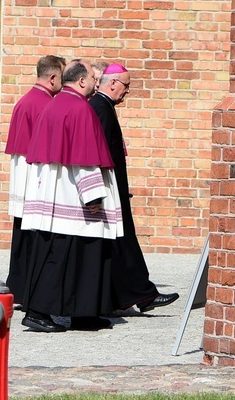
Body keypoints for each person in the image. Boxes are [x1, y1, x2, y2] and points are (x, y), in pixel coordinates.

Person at [20, 60, 124, 332]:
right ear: (81, 81)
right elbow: (84, 158)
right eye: (92, 76)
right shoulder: (80, 109)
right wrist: (93, 197)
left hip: (54, 192)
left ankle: (84, 313)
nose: (95, 78)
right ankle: (39, 312)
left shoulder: (54, 104)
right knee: (62, 256)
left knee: (78, 256)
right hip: (73, 199)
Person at [89, 63, 179, 312]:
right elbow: (102, 154)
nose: (127, 91)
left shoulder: (103, 106)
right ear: (113, 83)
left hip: (114, 187)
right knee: (123, 243)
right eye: (126, 85)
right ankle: (143, 295)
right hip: (108, 189)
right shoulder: (101, 108)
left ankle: (135, 296)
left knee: (121, 245)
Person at [4, 55, 65, 305]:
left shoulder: (27, 99)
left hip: (23, 174)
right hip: (34, 176)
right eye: (62, 77)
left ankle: (18, 286)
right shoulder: (44, 104)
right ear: (52, 78)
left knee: (22, 238)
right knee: (33, 239)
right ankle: (28, 289)